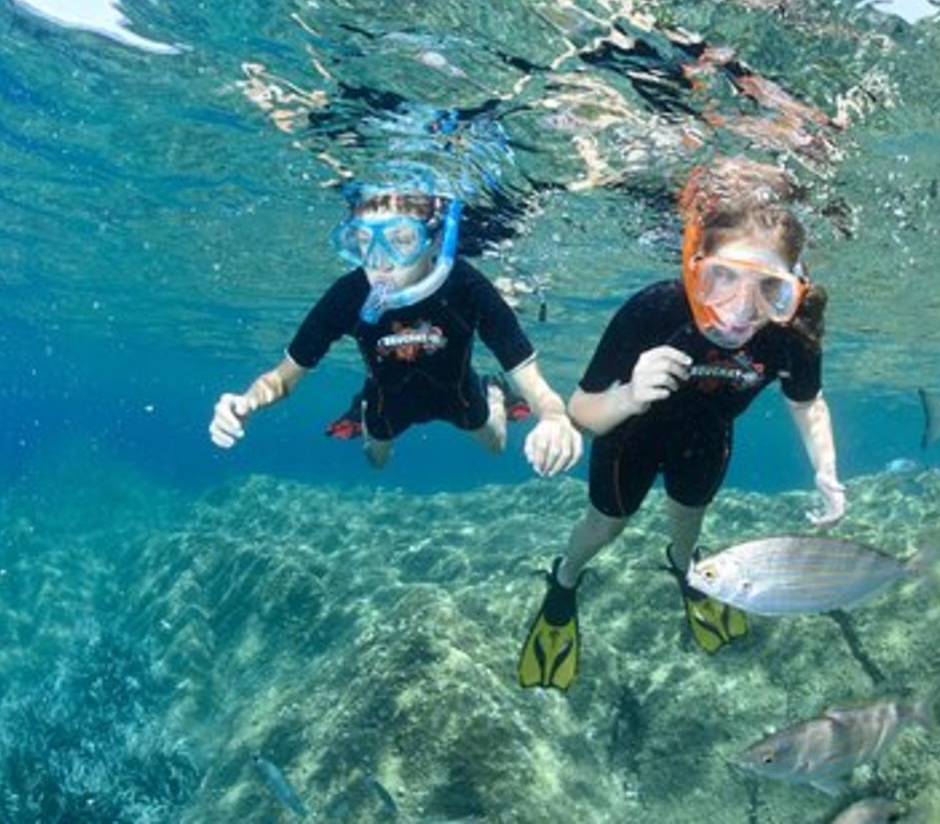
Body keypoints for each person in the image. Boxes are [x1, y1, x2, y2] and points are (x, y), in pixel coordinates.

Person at [517, 160, 846, 692]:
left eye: (769, 289)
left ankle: (686, 569)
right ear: (696, 267)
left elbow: (807, 403)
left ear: (794, 290)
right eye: (723, 277)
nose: (741, 309)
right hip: (630, 437)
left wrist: (826, 470)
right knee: (605, 526)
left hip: (708, 439)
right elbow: (581, 412)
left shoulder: (792, 334)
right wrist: (628, 395)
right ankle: (565, 579)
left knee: (689, 518)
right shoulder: (655, 310)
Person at [208, 180, 582, 478]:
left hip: (459, 392)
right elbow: (282, 379)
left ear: (435, 240)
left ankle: (494, 392)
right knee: (376, 461)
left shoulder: (467, 288)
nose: (380, 262)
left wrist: (554, 417)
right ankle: (364, 404)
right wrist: (247, 401)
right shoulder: (348, 295)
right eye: (365, 242)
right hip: (388, 401)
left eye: (401, 240)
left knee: (497, 445)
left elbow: (535, 385)